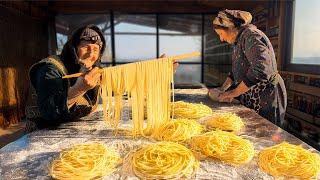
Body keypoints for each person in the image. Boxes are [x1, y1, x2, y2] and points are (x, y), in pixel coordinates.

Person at [25, 24, 178, 132]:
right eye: (85, 47)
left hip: (72, 129)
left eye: (96, 49)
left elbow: (123, 83)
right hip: (42, 135)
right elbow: (48, 111)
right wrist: (79, 88)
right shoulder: (50, 69)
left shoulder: (95, 71)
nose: (91, 54)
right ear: (73, 48)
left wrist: (158, 69)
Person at [209, 10, 287, 125]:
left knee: (265, 135)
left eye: (220, 34)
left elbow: (261, 68)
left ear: (230, 28)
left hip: (266, 96)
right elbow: (236, 70)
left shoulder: (251, 35)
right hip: (251, 94)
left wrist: (233, 93)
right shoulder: (238, 41)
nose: (221, 39)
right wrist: (223, 89)